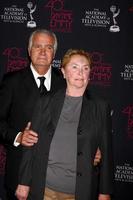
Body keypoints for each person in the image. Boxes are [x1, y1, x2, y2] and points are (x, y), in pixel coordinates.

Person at [16, 49, 113, 200]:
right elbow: (30, 145)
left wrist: (105, 192)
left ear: (90, 74)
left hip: (78, 192)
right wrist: (23, 183)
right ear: (63, 72)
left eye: (85, 68)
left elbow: (106, 152)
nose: (80, 72)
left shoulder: (100, 107)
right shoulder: (45, 101)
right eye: (74, 67)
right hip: (43, 189)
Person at [0, 29, 65, 199]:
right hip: (20, 175)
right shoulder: (11, 81)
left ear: (54, 52)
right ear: (29, 51)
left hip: (56, 178)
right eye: (37, 46)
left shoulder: (65, 82)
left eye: (48, 47)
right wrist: (18, 136)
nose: (43, 52)